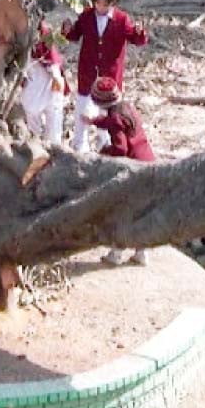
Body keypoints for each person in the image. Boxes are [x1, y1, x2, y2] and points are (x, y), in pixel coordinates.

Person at [61, 0, 148, 154]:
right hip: (88, 76)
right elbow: (74, 35)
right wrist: (67, 29)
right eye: (98, 3)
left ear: (113, 2)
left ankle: (106, 150)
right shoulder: (86, 16)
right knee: (82, 115)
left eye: (105, 4)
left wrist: (140, 32)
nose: (101, 8)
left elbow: (136, 39)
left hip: (110, 81)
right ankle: (80, 148)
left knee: (109, 121)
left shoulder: (121, 19)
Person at [84, 76, 154, 266]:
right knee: (139, 212)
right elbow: (115, 122)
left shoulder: (114, 119)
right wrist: (95, 122)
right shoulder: (126, 108)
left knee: (122, 211)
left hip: (133, 169)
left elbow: (120, 148)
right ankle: (142, 252)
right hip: (147, 161)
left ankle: (116, 253)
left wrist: (104, 153)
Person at [21, 20, 67, 145]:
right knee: (31, 113)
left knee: (53, 118)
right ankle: (35, 145)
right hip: (33, 77)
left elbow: (50, 56)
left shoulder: (43, 32)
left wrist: (55, 76)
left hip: (47, 80)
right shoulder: (18, 33)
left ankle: (53, 147)